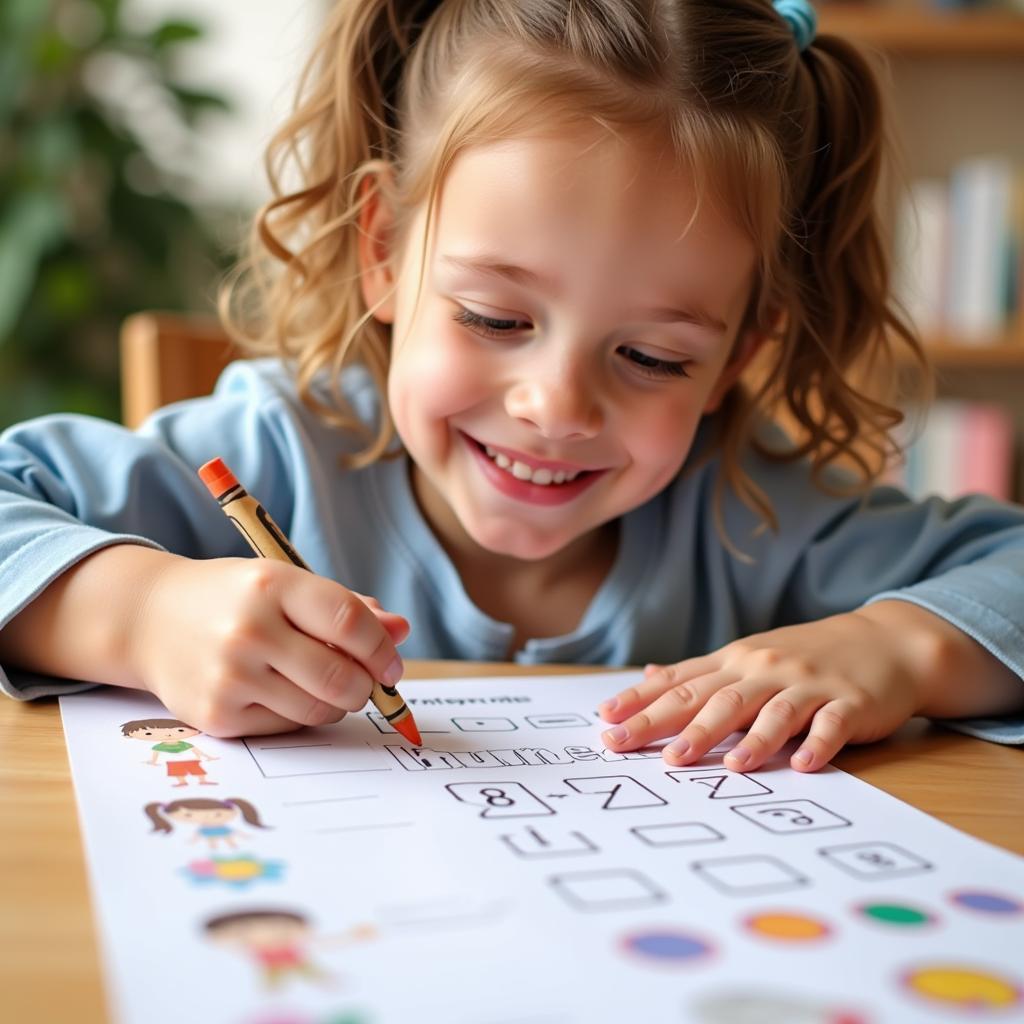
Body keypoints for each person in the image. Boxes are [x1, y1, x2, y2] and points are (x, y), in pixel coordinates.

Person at [1, 0, 1022, 775]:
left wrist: (895, 650)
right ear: (385, 250)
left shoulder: (760, 514)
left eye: (654, 357)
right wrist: (140, 613)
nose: (556, 406)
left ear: (742, 351)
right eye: (495, 318)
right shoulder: (278, 448)